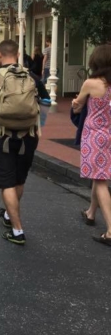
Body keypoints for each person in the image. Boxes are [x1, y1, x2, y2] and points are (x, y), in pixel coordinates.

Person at [0, 40, 50, 245]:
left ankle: (17, 231)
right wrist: (40, 126)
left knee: (6, 181)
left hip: (1, 135)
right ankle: (10, 216)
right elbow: (45, 102)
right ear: (18, 54)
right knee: (19, 179)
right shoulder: (32, 77)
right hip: (28, 135)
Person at [71, 44, 111, 246]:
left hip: (94, 135)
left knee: (100, 179)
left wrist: (74, 104)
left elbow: (77, 107)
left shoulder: (91, 83)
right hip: (110, 134)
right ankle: (91, 213)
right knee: (100, 174)